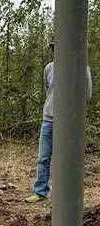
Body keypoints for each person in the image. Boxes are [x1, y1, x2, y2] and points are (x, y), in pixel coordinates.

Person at [26, 42, 93, 203]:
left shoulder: (82, 68)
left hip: (69, 124)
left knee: (66, 159)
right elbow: (48, 90)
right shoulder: (49, 68)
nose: (55, 51)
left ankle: (64, 195)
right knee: (43, 157)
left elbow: (86, 94)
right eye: (53, 49)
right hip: (48, 120)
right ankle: (40, 192)